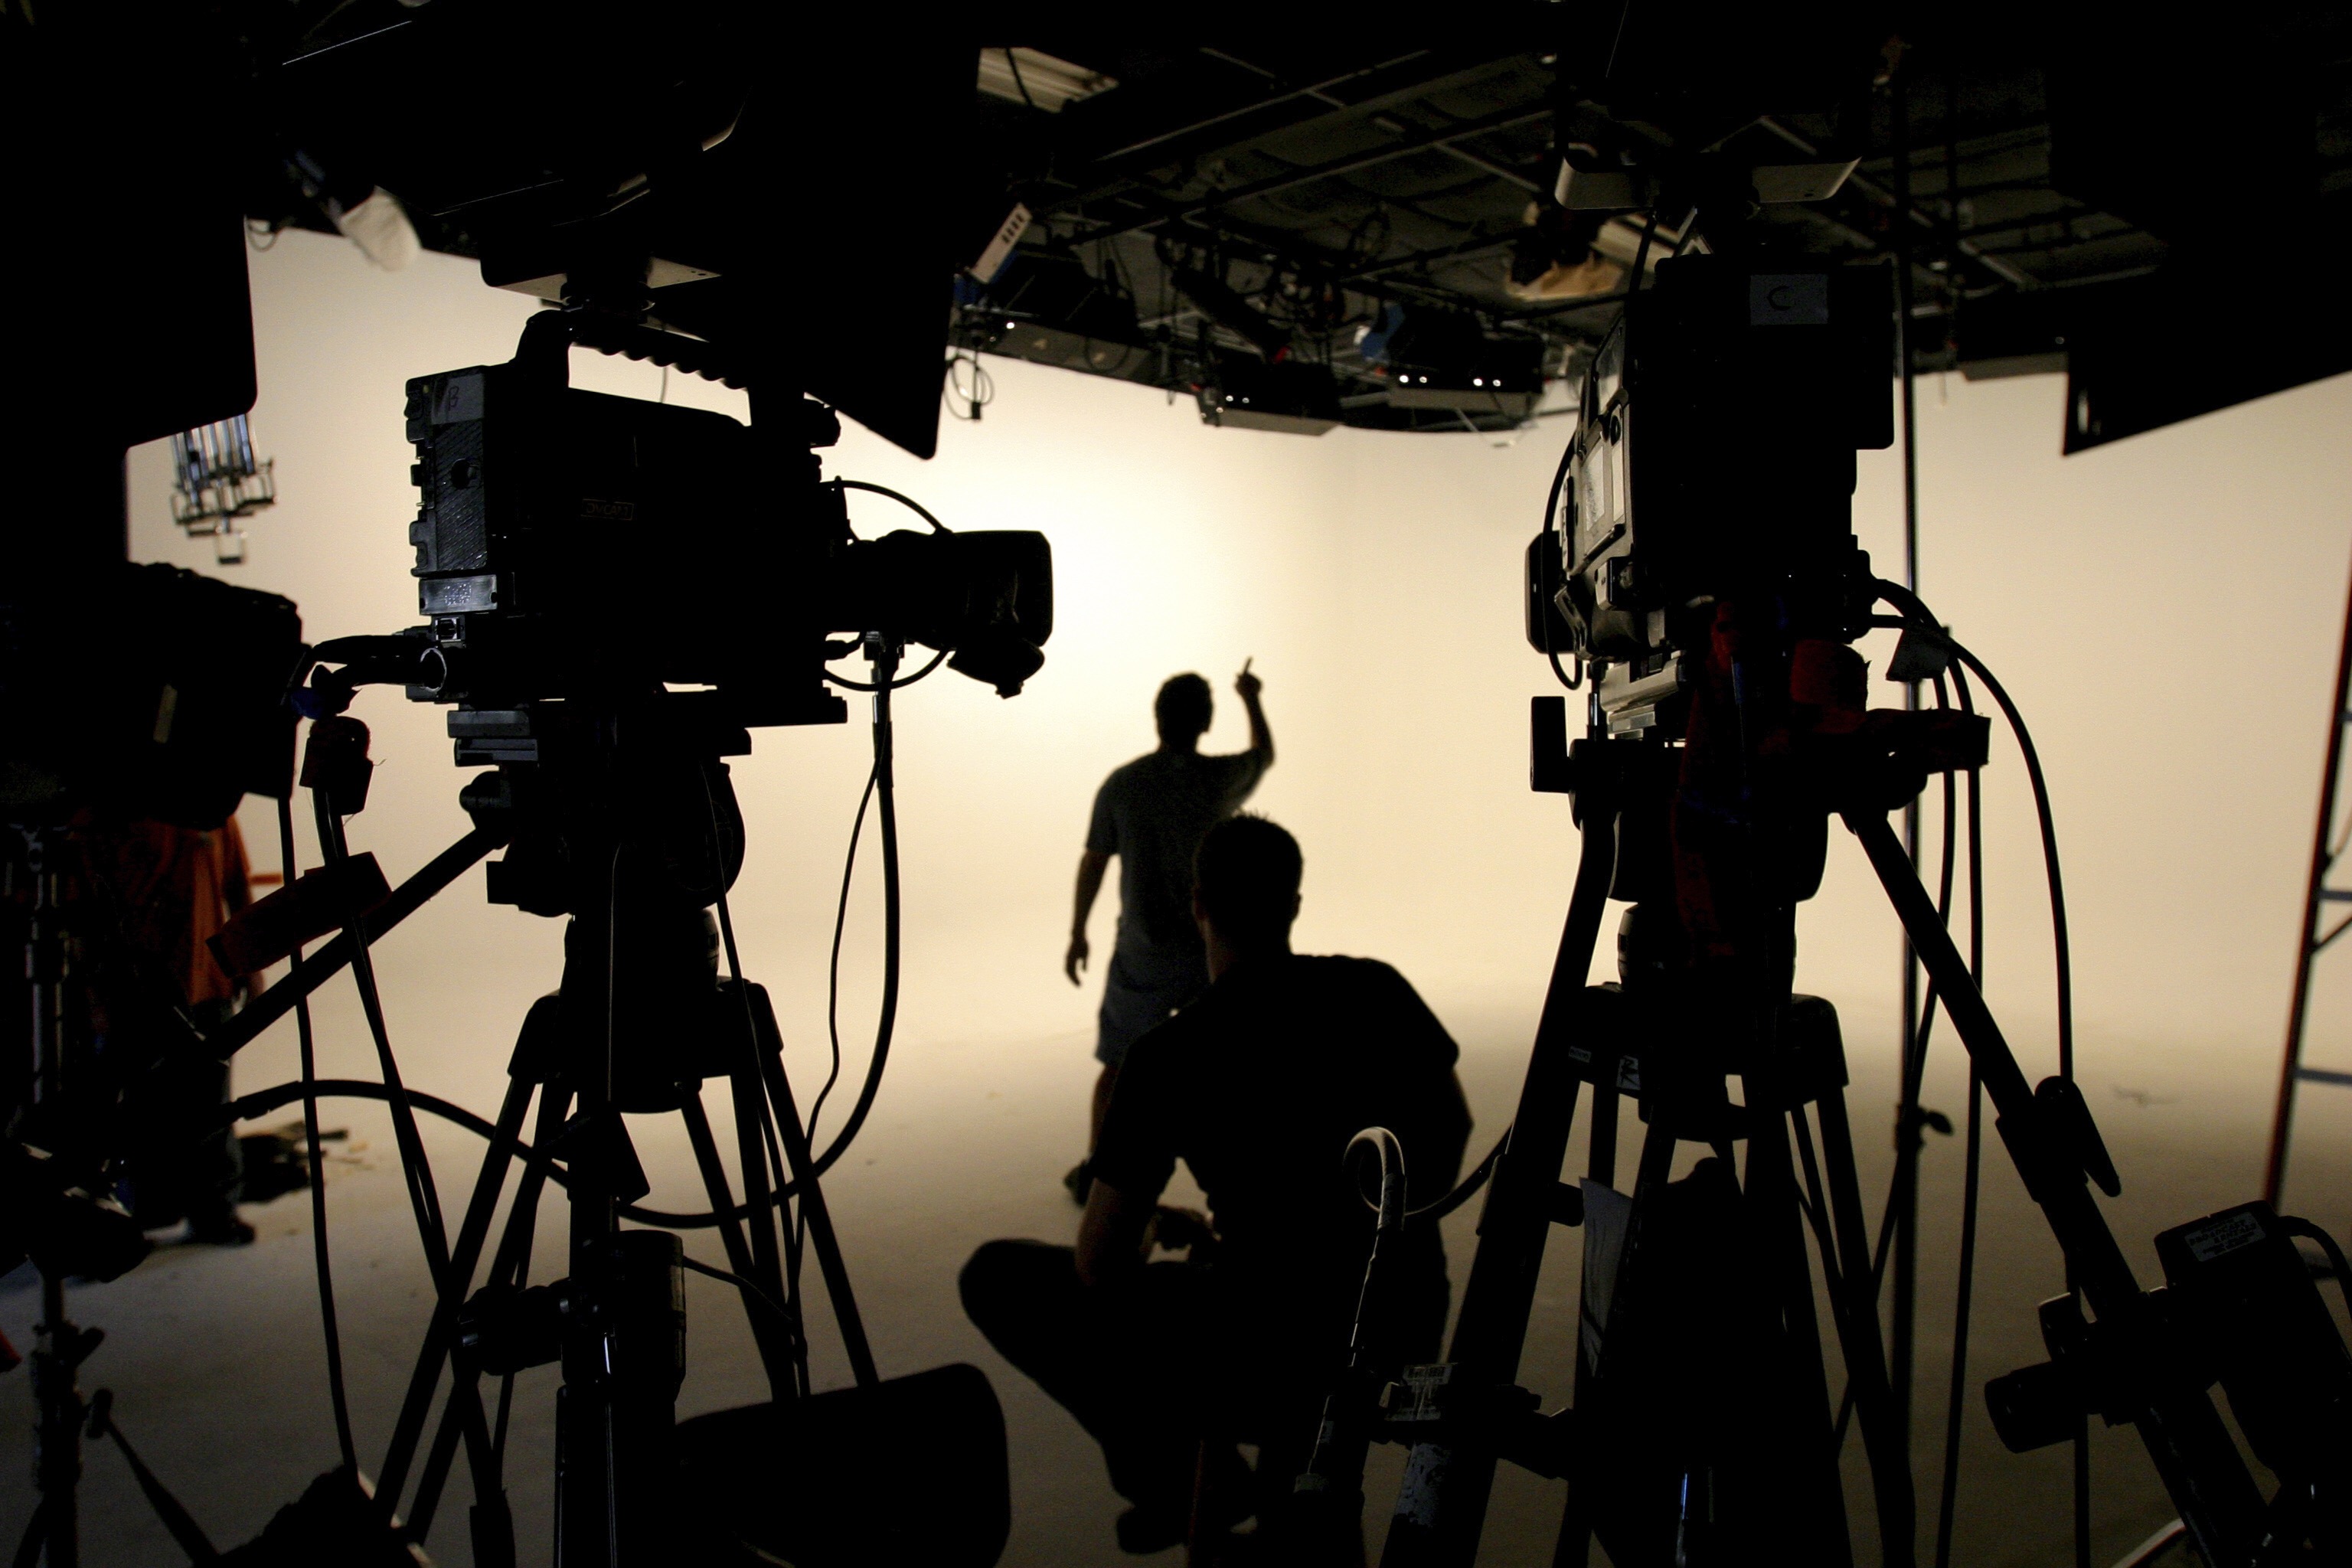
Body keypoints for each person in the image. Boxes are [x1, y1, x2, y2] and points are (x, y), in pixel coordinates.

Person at [967, 815, 1471, 1556]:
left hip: (1262, 1342)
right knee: (1293, 1416)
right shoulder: (1377, 987)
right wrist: (1363, 1235)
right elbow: (1452, 1126)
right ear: (1293, 904)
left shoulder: (1168, 1054)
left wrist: (1177, 1231)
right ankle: (1269, 1506)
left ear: (1197, 904)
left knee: (997, 1276)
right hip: (1399, 1321)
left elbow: (1100, 1263)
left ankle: (1173, 1479)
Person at [1063, 663, 1272, 1200]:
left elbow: (1094, 861)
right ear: (1205, 722)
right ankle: (1248, 1170)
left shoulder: (1123, 785)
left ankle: (1097, 1171)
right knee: (1228, 1063)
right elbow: (1263, 755)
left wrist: (1078, 931)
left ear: (1157, 720)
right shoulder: (1217, 780)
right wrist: (1251, 698)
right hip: (1210, 950)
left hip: (1144, 951)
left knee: (1119, 1065)